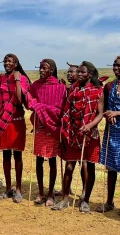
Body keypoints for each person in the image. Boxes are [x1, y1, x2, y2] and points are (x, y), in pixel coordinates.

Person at [52, 61, 104, 212]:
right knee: (69, 166)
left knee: (88, 167)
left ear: (91, 74)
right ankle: (65, 199)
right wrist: (66, 126)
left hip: (90, 134)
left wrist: (90, 125)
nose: (79, 74)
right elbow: (67, 110)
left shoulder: (97, 90)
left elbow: (100, 114)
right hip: (74, 133)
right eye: (78, 72)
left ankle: (85, 200)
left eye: (82, 72)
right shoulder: (73, 89)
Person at [28, 59, 66, 207]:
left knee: (51, 161)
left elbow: (60, 108)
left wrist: (43, 110)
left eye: (45, 68)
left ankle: (51, 194)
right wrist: (37, 107)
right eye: (40, 68)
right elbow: (30, 100)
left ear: (52, 70)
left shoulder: (59, 86)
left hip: (52, 127)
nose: (41, 70)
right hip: (40, 127)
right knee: (38, 160)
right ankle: (40, 193)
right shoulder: (36, 85)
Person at [0, 54, 31, 203]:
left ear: (16, 64)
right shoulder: (0, 78)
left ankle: (18, 189)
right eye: (6, 61)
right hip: (3, 120)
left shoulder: (22, 78)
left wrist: (16, 79)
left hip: (16, 120)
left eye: (10, 61)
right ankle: (8, 189)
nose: (7, 63)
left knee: (18, 156)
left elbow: (20, 99)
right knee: (6, 154)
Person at [55, 62, 87, 197]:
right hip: (67, 128)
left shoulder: (82, 89)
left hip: (81, 129)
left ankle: (85, 191)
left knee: (82, 161)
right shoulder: (66, 88)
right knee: (68, 160)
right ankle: (65, 189)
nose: (69, 74)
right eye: (68, 72)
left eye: (72, 72)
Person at [96, 56, 120, 213]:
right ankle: (109, 201)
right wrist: (107, 114)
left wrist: (117, 112)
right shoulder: (110, 86)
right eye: (115, 65)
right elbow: (103, 107)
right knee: (111, 168)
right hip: (113, 131)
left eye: (119, 66)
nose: (116, 68)